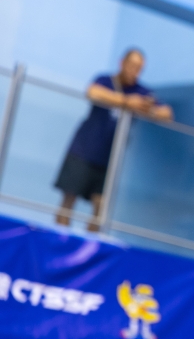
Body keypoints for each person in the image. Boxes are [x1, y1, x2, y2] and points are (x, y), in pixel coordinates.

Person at [54, 48, 173, 232]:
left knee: (100, 207)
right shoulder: (105, 80)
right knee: (68, 200)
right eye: (132, 66)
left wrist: (146, 109)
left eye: (139, 68)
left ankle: (90, 246)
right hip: (83, 151)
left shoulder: (141, 92)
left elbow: (167, 114)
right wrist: (125, 101)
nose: (135, 71)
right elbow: (92, 92)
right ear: (122, 63)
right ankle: (60, 240)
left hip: (109, 158)